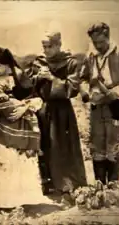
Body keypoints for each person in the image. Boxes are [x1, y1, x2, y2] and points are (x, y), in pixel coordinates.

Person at [0, 47, 45, 207]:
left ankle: (18, 198)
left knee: (13, 156)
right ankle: (0, 197)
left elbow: (30, 95)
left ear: (7, 63)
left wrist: (17, 104)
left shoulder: (18, 75)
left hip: (16, 121)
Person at [27, 31, 88, 204]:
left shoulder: (70, 63)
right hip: (42, 108)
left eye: (50, 46)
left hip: (61, 111)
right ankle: (50, 186)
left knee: (61, 147)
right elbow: (28, 84)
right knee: (44, 145)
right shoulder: (38, 62)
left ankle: (67, 188)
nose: (46, 50)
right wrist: (36, 78)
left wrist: (52, 78)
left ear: (59, 45)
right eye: (44, 46)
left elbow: (72, 88)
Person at [79, 22, 119, 186]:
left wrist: (114, 94)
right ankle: (100, 184)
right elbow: (83, 78)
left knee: (113, 143)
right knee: (97, 143)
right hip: (96, 107)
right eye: (94, 42)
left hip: (115, 107)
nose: (97, 46)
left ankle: (113, 186)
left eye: (100, 42)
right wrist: (86, 92)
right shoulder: (90, 56)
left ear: (108, 37)